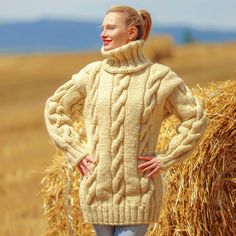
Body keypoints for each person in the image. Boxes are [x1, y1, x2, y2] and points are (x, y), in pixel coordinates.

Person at [44, 5, 207, 236]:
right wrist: (76, 151)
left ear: (131, 33)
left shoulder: (159, 77)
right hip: (97, 191)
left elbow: (195, 116)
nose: (103, 33)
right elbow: (55, 107)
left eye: (111, 27)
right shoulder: (92, 74)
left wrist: (166, 157)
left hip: (138, 193)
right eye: (102, 27)